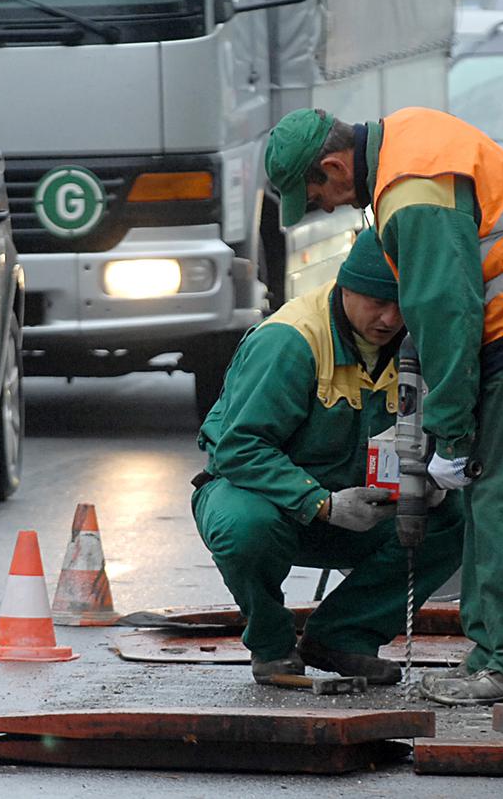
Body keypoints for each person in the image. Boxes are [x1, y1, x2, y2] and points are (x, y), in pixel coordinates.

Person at [263, 106, 503, 705]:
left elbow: (446, 314)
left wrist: (451, 437)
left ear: (332, 166)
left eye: (317, 195)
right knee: (491, 499)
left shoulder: (412, 192)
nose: (324, 208)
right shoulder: (406, 139)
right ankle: (495, 657)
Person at [191, 229, 465, 685]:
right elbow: (239, 449)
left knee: (456, 517)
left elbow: (449, 427)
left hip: (364, 512)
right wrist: (324, 504)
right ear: (345, 286)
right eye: (377, 301)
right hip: (271, 503)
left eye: (401, 304)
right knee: (245, 525)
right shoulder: (290, 342)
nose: (389, 317)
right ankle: (272, 646)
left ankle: (342, 636)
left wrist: (431, 482)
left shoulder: (419, 341)